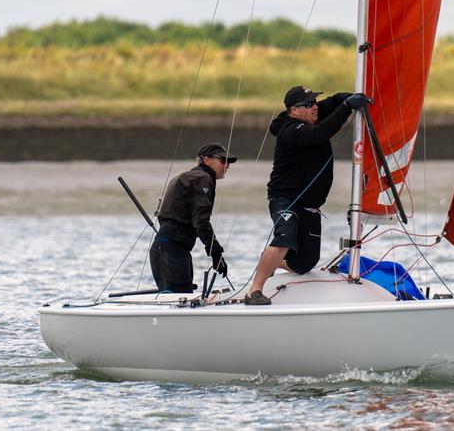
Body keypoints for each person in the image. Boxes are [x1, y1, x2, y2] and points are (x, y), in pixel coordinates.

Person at [245, 86, 368, 305]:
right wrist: (347, 108)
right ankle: (254, 290)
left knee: (305, 262)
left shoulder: (312, 112)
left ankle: (271, 260)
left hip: (310, 205)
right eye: (309, 104)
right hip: (286, 199)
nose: (315, 107)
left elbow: (334, 100)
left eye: (314, 102)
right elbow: (320, 134)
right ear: (294, 109)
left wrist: (347, 97)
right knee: (286, 235)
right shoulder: (290, 130)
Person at [149, 143, 237, 293]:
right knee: (179, 301)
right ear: (206, 160)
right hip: (171, 252)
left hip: (166, 249)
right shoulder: (202, 178)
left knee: (177, 299)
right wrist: (216, 252)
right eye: (223, 160)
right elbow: (201, 222)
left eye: (228, 161)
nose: (227, 165)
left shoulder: (187, 177)